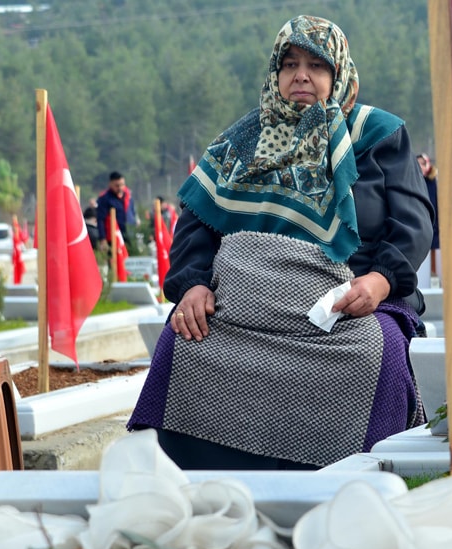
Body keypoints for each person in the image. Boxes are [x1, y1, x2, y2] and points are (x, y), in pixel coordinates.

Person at [128, 15, 434, 470]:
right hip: (245, 308)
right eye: (290, 64)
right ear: (276, 72)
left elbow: (413, 222)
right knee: (183, 342)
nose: (301, 76)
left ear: (339, 72)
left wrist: (381, 280)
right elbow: (195, 224)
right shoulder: (241, 141)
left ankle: (362, 481)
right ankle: (200, 487)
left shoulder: (377, 133)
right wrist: (193, 285)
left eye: (316, 65)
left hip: (350, 308)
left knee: (379, 354)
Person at [95, 172, 137, 244]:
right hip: (114, 236)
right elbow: (100, 220)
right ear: (110, 184)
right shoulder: (105, 198)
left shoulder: (128, 196)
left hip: (129, 234)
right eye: (117, 186)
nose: (120, 188)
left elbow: (133, 213)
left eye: (122, 185)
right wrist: (102, 238)